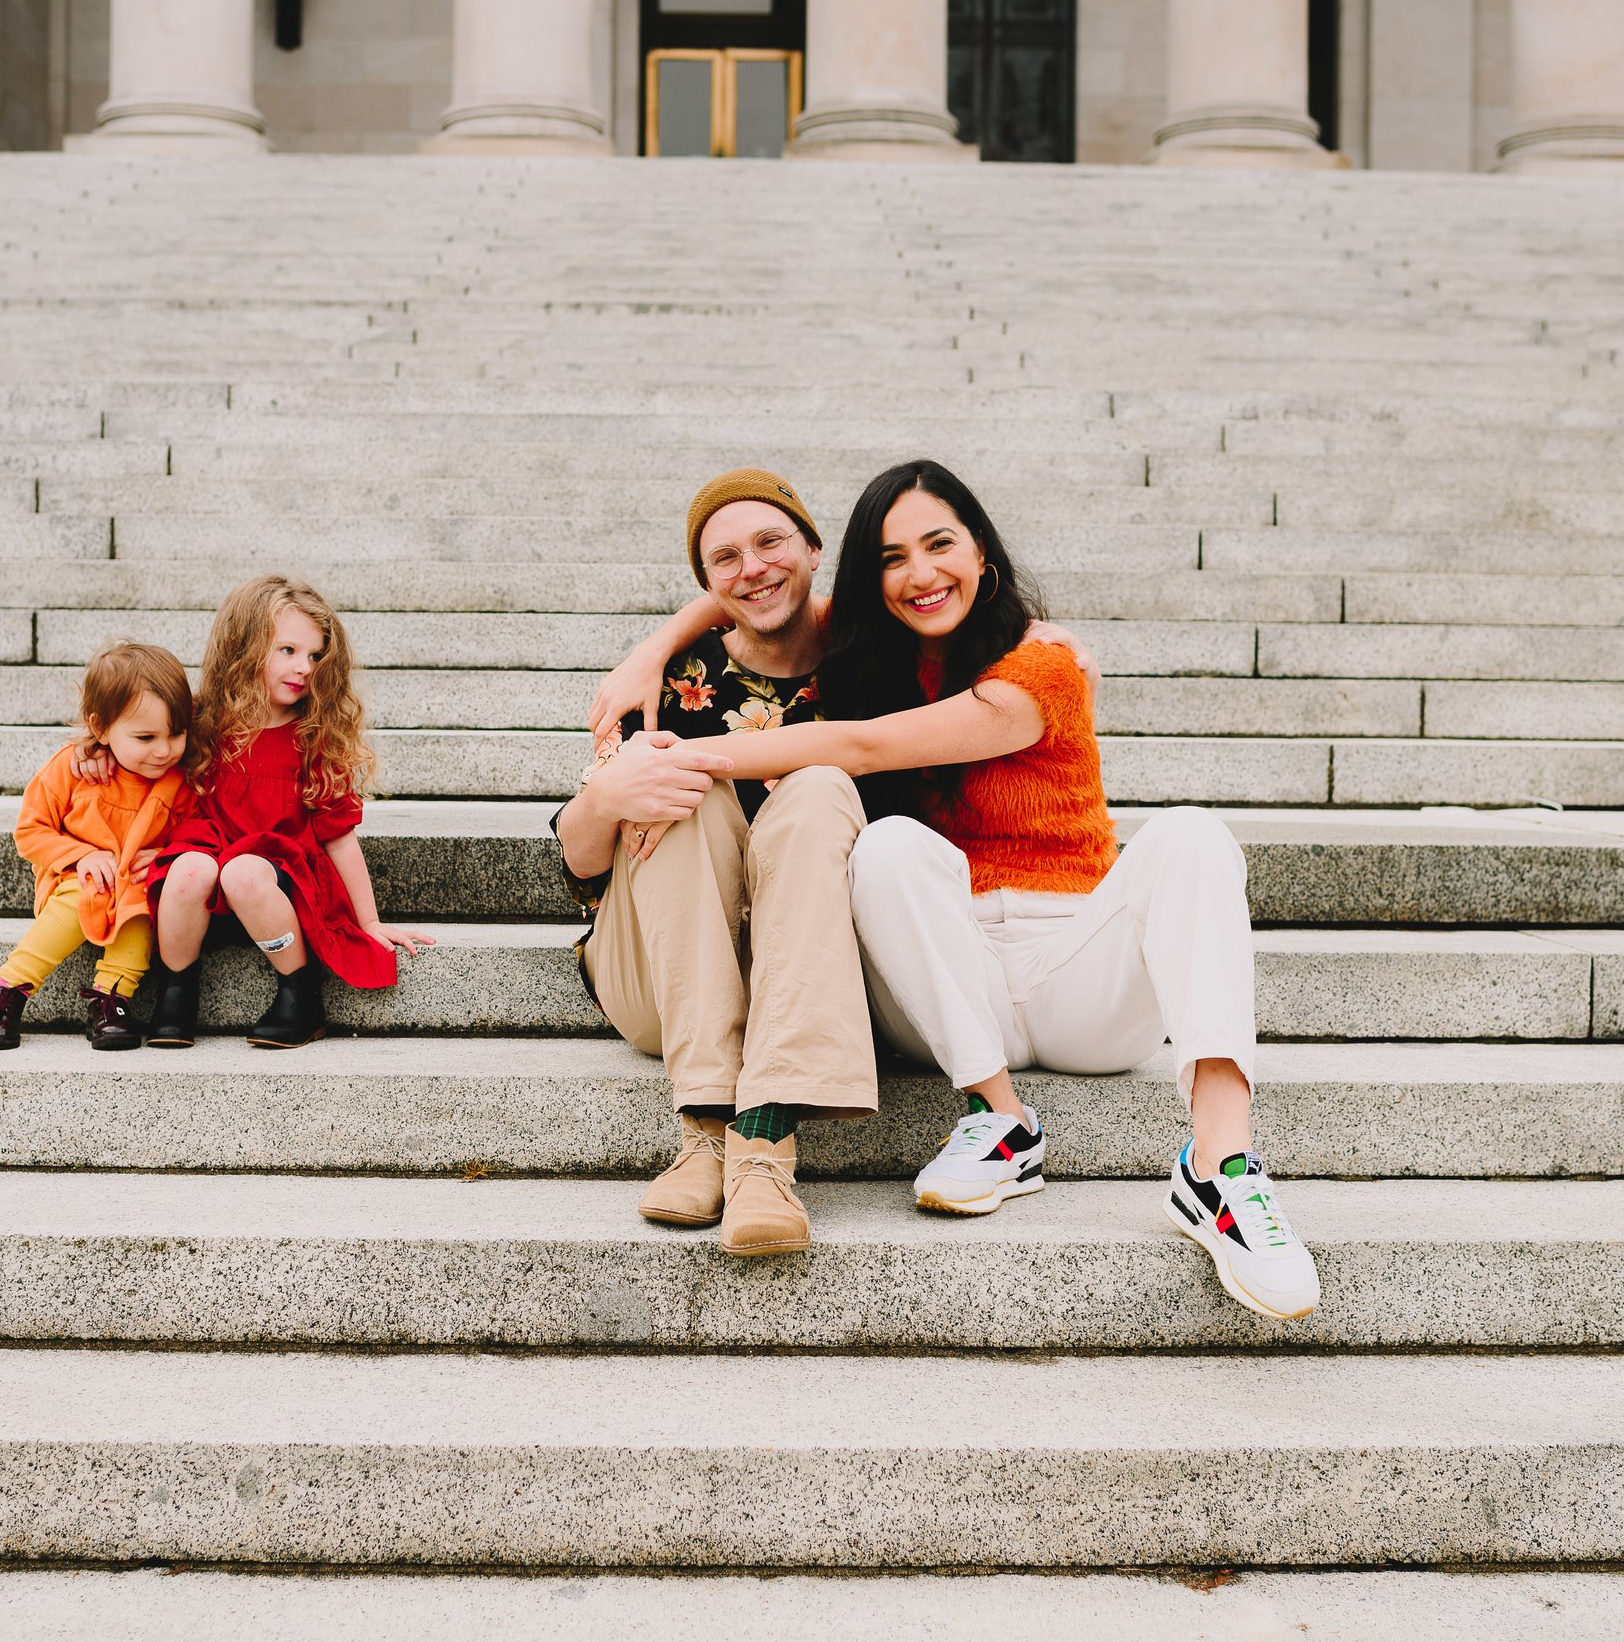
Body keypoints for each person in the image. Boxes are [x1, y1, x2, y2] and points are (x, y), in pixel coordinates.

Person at [614, 460, 1320, 1321]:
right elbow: (759, 591)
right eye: (892, 557)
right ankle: (1002, 1124)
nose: (919, 573)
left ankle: (1222, 1171)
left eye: (940, 544)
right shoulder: (870, 650)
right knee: (887, 848)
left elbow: (867, 747)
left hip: (1076, 975)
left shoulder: (1041, 669)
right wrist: (651, 648)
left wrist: (678, 756)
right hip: (948, 988)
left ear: (982, 552)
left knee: (1194, 834)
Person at [555, 468, 874, 1258]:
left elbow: (975, 620)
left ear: (813, 547)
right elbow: (580, 867)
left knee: (820, 782)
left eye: (770, 541)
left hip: (805, 973)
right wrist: (606, 797)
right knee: (677, 777)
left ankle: (761, 1147)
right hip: (659, 971)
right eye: (724, 557)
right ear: (705, 582)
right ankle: (703, 1129)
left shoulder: (875, 663)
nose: (752, 568)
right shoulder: (668, 679)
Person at [138, 575, 433, 1049]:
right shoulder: (204, 721)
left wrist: (370, 921)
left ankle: (299, 994)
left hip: (279, 884)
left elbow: (338, 837)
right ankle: (176, 993)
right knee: (190, 869)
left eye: (316, 656)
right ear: (243, 646)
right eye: (288, 650)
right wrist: (90, 752)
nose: (305, 668)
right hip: (209, 869)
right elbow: (136, 741)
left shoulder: (315, 737)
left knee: (244, 873)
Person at [0, 641, 191, 1052]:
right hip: (77, 880)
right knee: (83, 891)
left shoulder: (180, 782)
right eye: (145, 736)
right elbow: (31, 832)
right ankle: (9, 992)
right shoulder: (74, 770)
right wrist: (82, 855)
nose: (164, 750)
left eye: (176, 733)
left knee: (141, 901)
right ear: (101, 727)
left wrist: (166, 857)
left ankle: (112, 999)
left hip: (137, 889)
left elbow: (199, 836)